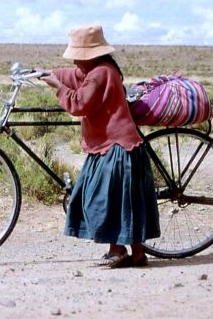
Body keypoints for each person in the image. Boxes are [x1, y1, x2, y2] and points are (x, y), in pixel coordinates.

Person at [40, 24, 160, 268]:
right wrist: (46, 73)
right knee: (125, 202)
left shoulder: (100, 74)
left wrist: (57, 86)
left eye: (77, 55)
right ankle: (137, 253)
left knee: (102, 200)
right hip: (120, 147)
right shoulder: (101, 69)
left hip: (116, 148)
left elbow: (79, 104)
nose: (74, 60)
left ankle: (118, 249)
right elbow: (74, 76)